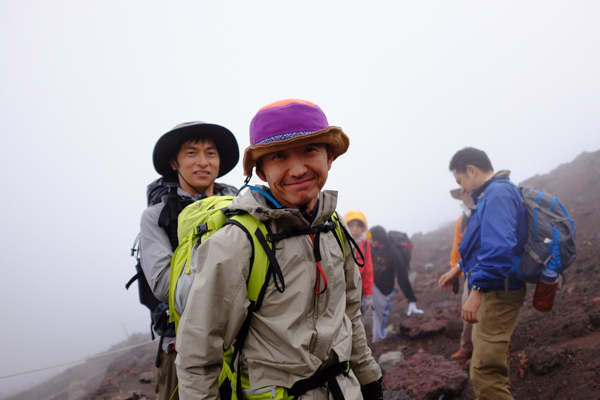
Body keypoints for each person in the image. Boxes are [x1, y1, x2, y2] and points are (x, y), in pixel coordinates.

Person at [176, 99, 383, 400]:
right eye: (279, 156)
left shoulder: (334, 228)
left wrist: (368, 379)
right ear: (260, 171)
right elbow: (199, 355)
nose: (297, 169)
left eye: (310, 149)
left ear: (330, 157)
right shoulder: (235, 244)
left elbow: (349, 316)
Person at [139, 121, 239, 400]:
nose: (203, 162)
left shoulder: (241, 205)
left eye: (210, 153)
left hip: (243, 339)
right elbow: (163, 285)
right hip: (181, 344)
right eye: (191, 153)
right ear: (174, 162)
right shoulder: (157, 216)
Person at [438, 147, 527, 400]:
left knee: (485, 372)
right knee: (485, 362)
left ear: (471, 170)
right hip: (495, 287)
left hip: (498, 290)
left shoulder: (497, 193)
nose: (462, 187)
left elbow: (499, 249)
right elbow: (479, 244)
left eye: (460, 180)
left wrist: (476, 291)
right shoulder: (491, 194)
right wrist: (458, 269)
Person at [369, 225, 423, 343]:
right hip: (371, 284)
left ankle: (376, 341)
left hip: (384, 289)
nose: (368, 240)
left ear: (376, 242)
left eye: (370, 239)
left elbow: (402, 278)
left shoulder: (394, 253)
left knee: (378, 316)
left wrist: (411, 300)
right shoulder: (369, 247)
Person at [444, 188, 475, 369]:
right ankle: (467, 347)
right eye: (462, 192)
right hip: (468, 273)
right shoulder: (462, 219)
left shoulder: (486, 211)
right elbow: (457, 248)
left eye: (468, 191)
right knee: (467, 311)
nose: (465, 195)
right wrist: (454, 272)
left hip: (487, 270)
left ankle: (479, 350)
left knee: (481, 312)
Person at [345, 210, 374, 315]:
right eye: (351, 225)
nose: (355, 229)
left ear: (364, 228)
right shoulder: (339, 242)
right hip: (340, 291)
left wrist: (368, 295)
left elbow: (368, 270)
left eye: (359, 225)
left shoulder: (365, 244)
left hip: (358, 291)